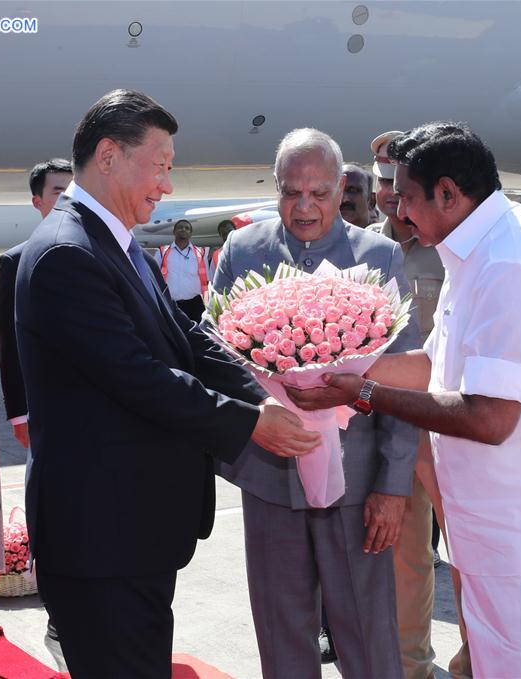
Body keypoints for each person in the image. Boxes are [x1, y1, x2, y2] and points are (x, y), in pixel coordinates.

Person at [287, 122, 521, 677]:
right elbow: (437, 366)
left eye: (407, 197)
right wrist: (334, 365)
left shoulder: (510, 261)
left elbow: (490, 416)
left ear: (449, 193)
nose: (399, 212)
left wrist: (365, 393)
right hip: (509, 538)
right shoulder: (476, 247)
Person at [14, 89, 319, 678]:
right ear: (108, 157)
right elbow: (139, 377)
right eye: (159, 166)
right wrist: (251, 424)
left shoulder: (116, 242)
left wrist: (259, 393)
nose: (167, 186)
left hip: (132, 533)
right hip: (102, 536)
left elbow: (188, 337)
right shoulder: (66, 254)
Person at [212, 128, 420, 679]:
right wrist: (259, 414)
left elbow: (405, 381)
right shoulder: (243, 251)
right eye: (290, 191)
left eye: (319, 193)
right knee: (281, 633)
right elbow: (217, 354)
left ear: (341, 188)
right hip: (269, 477)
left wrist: (394, 486)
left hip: (357, 484)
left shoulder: (379, 256)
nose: (304, 206)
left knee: (369, 635)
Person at [369, 130, 450, 679]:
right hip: (386, 424)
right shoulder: (360, 250)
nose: (392, 195)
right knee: (404, 558)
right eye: (382, 183)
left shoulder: (449, 247)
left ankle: (477, 659)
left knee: (469, 553)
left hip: (449, 423)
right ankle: (409, 667)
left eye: (400, 183)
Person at [0, 158, 72, 448]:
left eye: (71, 189)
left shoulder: (107, 252)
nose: (66, 197)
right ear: (37, 201)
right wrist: (19, 414)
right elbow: (9, 339)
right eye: (57, 191)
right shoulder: (16, 262)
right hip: (49, 406)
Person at [154, 219, 209, 322]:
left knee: (198, 335)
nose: (183, 229)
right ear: (174, 231)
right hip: (171, 303)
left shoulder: (200, 253)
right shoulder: (162, 252)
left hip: (195, 304)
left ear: (190, 233)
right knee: (174, 336)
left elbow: (206, 279)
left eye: (187, 228)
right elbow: (154, 277)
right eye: (180, 227)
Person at [339, 162, 375, 227]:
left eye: (353, 191)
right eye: (339, 190)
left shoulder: (382, 236)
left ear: (371, 201)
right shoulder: (317, 236)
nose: (344, 199)